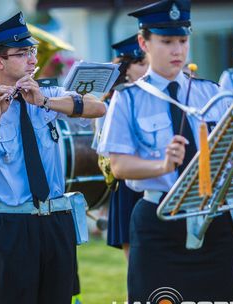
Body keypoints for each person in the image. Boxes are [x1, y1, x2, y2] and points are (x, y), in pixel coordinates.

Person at [97, 0, 233, 302]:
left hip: (212, 219)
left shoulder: (211, 92)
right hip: (159, 221)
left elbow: (230, 154)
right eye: (167, 41)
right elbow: (118, 165)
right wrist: (161, 165)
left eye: (183, 41)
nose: (177, 50)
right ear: (144, 42)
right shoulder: (128, 99)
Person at [0, 11, 106, 304]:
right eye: (23, 52)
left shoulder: (48, 91)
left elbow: (97, 107)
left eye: (32, 51)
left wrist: (45, 101)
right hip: (10, 224)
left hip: (55, 220)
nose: (32, 58)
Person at [103, 34, 148, 259]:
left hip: (154, 180)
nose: (147, 68)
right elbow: (104, 150)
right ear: (126, 69)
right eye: (141, 64)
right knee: (137, 264)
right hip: (128, 184)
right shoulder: (113, 101)